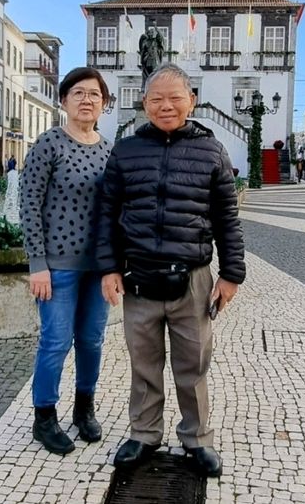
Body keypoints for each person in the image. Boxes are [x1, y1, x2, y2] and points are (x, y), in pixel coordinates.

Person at [96, 64, 246, 479]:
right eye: (156, 99)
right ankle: (144, 433)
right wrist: (109, 268)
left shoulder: (212, 151)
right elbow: (108, 213)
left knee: (193, 363)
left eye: (175, 98)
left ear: (191, 101)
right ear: (144, 104)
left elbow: (226, 217)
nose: (166, 106)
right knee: (144, 361)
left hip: (194, 277)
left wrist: (231, 274)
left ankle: (197, 438)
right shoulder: (125, 150)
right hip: (139, 275)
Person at [19, 67, 112, 456]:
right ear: (64, 101)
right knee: (55, 341)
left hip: (99, 266)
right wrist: (36, 262)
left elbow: (116, 207)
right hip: (57, 266)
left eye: (94, 94)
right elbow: (28, 203)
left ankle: (83, 408)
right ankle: (44, 417)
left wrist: (115, 265)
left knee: (91, 340)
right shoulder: (48, 144)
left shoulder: (109, 149)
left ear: (104, 104)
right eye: (78, 93)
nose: (86, 99)